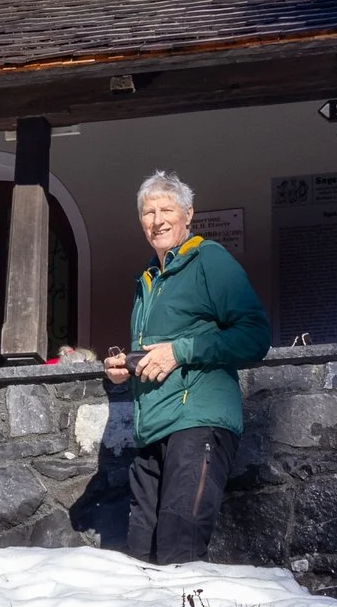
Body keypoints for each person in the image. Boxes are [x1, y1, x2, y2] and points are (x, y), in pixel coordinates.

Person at [103, 171, 271, 564]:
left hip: (198, 421)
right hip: (152, 429)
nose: (157, 220)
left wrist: (180, 351)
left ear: (188, 214)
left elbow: (255, 335)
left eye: (167, 210)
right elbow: (157, 353)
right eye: (148, 212)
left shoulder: (209, 259)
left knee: (179, 552)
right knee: (140, 559)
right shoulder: (148, 278)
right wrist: (126, 367)